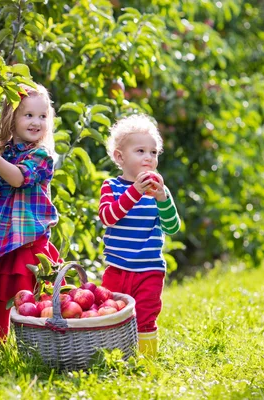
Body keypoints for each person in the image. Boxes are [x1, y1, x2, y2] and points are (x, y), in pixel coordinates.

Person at [0, 83, 61, 343]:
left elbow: (18, 178)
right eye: (28, 115)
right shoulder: (3, 152)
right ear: (11, 118)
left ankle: (36, 345)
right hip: (2, 239)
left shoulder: (42, 155)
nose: (36, 122)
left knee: (29, 296)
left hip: (28, 239)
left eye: (42, 116)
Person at [98, 114, 181, 357]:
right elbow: (108, 217)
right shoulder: (111, 187)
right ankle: (115, 357)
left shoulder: (159, 191)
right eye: (141, 151)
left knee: (146, 314)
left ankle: (146, 360)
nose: (148, 157)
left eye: (153, 152)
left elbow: (172, 227)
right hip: (117, 268)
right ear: (120, 157)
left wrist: (163, 199)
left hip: (149, 270)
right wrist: (134, 191)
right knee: (113, 313)